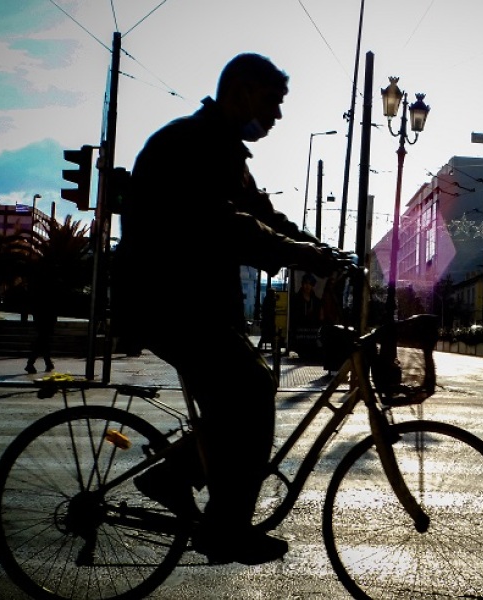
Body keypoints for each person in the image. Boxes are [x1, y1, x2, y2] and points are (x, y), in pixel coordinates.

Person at [111, 52, 337, 566]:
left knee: (238, 399)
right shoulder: (191, 143)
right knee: (251, 389)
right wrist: (301, 254)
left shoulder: (225, 151)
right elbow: (226, 223)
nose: (277, 115)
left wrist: (320, 251)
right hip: (165, 299)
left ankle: (173, 475)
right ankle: (226, 529)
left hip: (192, 301)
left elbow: (264, 216)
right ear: (241, 91)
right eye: (272, 102)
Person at [24, 278, 57, 375]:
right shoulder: (47, 293)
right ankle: (31, 363)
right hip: (45, 319)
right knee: (42, 341)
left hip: (41, 319)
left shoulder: (38, 292)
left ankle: (47, 363)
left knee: (43, 341)